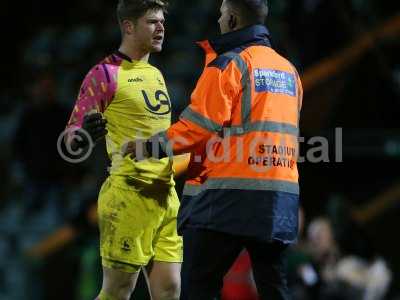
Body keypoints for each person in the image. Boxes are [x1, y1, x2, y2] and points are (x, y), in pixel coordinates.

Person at [122, 0, 303, 299]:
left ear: (232, 19)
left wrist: (148, 146)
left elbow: (197, 129)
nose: (219, 19)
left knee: (199, 286)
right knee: (275, 289)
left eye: (221, 14)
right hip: (280, 200)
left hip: (228, 200)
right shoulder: (289, 71)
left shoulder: (228, 64)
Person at [64, 1, 188, 299]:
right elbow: (71, 134)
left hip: (165, 194)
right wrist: (82, 137)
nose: (161, 28)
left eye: (162, 22)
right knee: (118, 291)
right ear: (128, 26)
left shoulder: (155, 74)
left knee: (170, 290)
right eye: (151, 22)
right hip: (129, 196)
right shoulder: (104, 73)